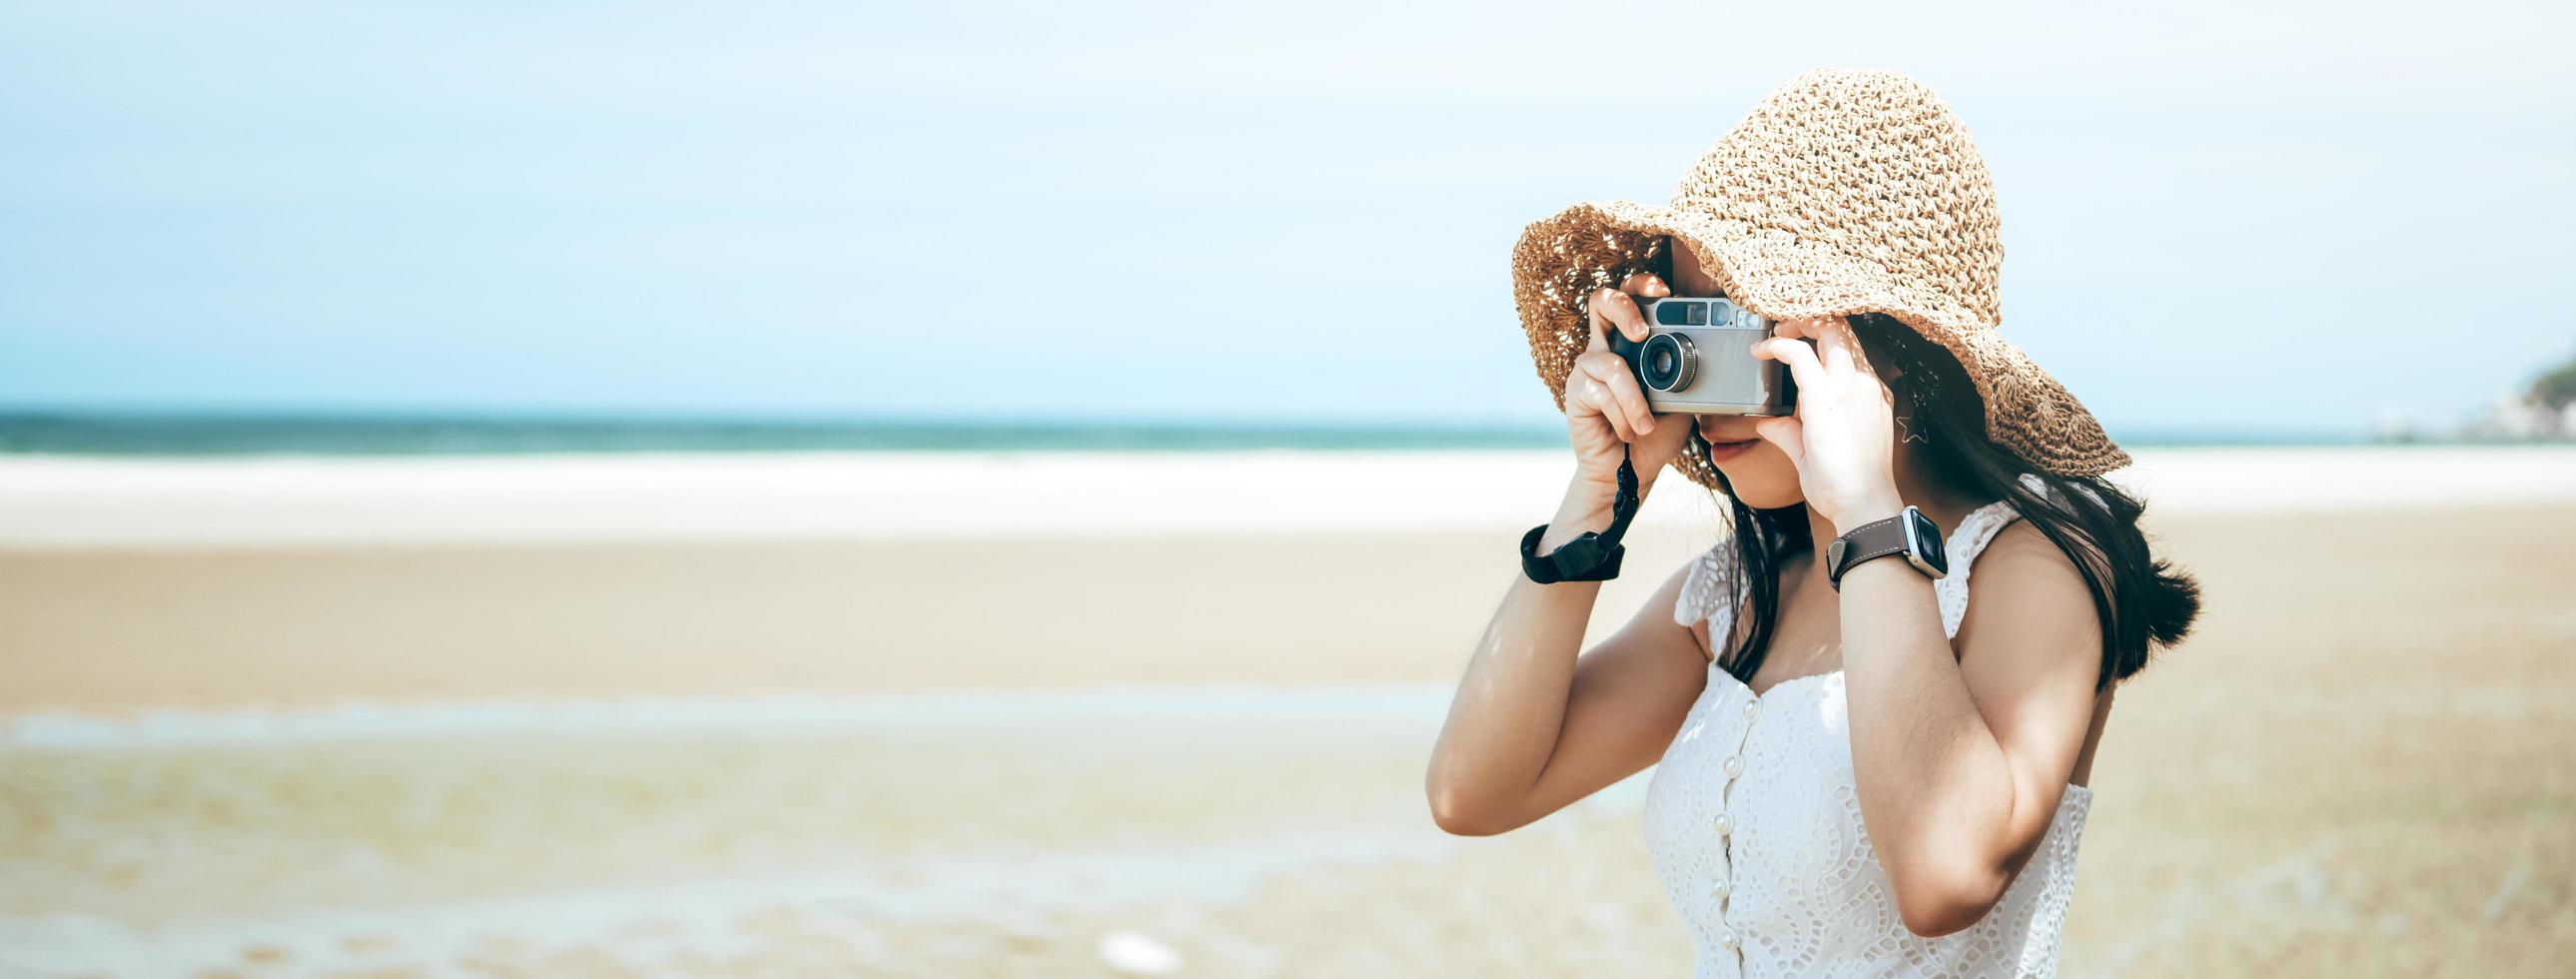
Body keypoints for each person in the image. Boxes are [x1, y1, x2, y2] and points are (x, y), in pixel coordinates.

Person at [1424, 69, 2201, 977]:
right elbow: (1471, 793)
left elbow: (1945, 874)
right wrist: (1594, 505)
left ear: (1881, 344)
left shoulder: (2032, 569)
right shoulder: (1738, 595)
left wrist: (1867, 510)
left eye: (1742, 326)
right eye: (1685, 323)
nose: (1704, 372)